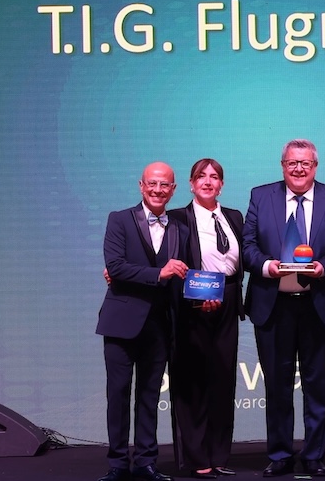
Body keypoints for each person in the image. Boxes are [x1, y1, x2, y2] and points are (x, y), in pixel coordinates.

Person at [242, 139, 325, 478]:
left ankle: (314, 455)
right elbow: (247, 246)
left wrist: (324, 266)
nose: (299, 168)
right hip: (273, 305)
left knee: (317, 385)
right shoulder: (261, 196)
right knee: (276, 386)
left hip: (319, 305)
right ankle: (279, 454)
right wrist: (267, 266)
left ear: (315, 166)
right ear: (283, 165)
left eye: (305, 163)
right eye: (292, 162)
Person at [96, 162, 189, 481]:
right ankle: (118, 464)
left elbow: (185, 273)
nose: (158, 190)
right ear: (141, 185)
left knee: (150, 397)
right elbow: (115, 266)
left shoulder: (180, 228)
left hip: (160, 324)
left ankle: (146, 462)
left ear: (173, 190)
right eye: (152, 183)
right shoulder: (119, 219)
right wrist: (158, 273)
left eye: (164, 185)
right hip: (120, 323)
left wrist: (207, 293)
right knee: (118, 395)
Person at [167, 158, 245, 479]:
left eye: (214, 177)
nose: (208, 181)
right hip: (192, 304)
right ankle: (197, 458)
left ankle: (219, 455)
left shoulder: (234, 217)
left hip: (228, 300)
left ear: (221, 185)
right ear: (191, 183)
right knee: (192, 382)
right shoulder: (177, 218)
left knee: (223, 380)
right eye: (201, 176)